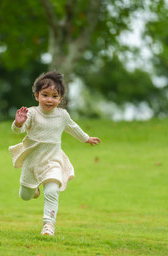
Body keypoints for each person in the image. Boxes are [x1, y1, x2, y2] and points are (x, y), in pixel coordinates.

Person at [9, 71, 101, 236]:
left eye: (54, 96)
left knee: (52, 191)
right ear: (37, 96)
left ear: (60, 99)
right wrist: (18, 123)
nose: (49, 100)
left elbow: (73, 128)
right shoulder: (31, 113)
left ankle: (48, 225)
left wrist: (86, 138)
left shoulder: (62, 115)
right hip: (32, 162)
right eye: (45, 95)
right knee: (25, 196)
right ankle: (34, 189)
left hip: (53, 161)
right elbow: (19, 130)